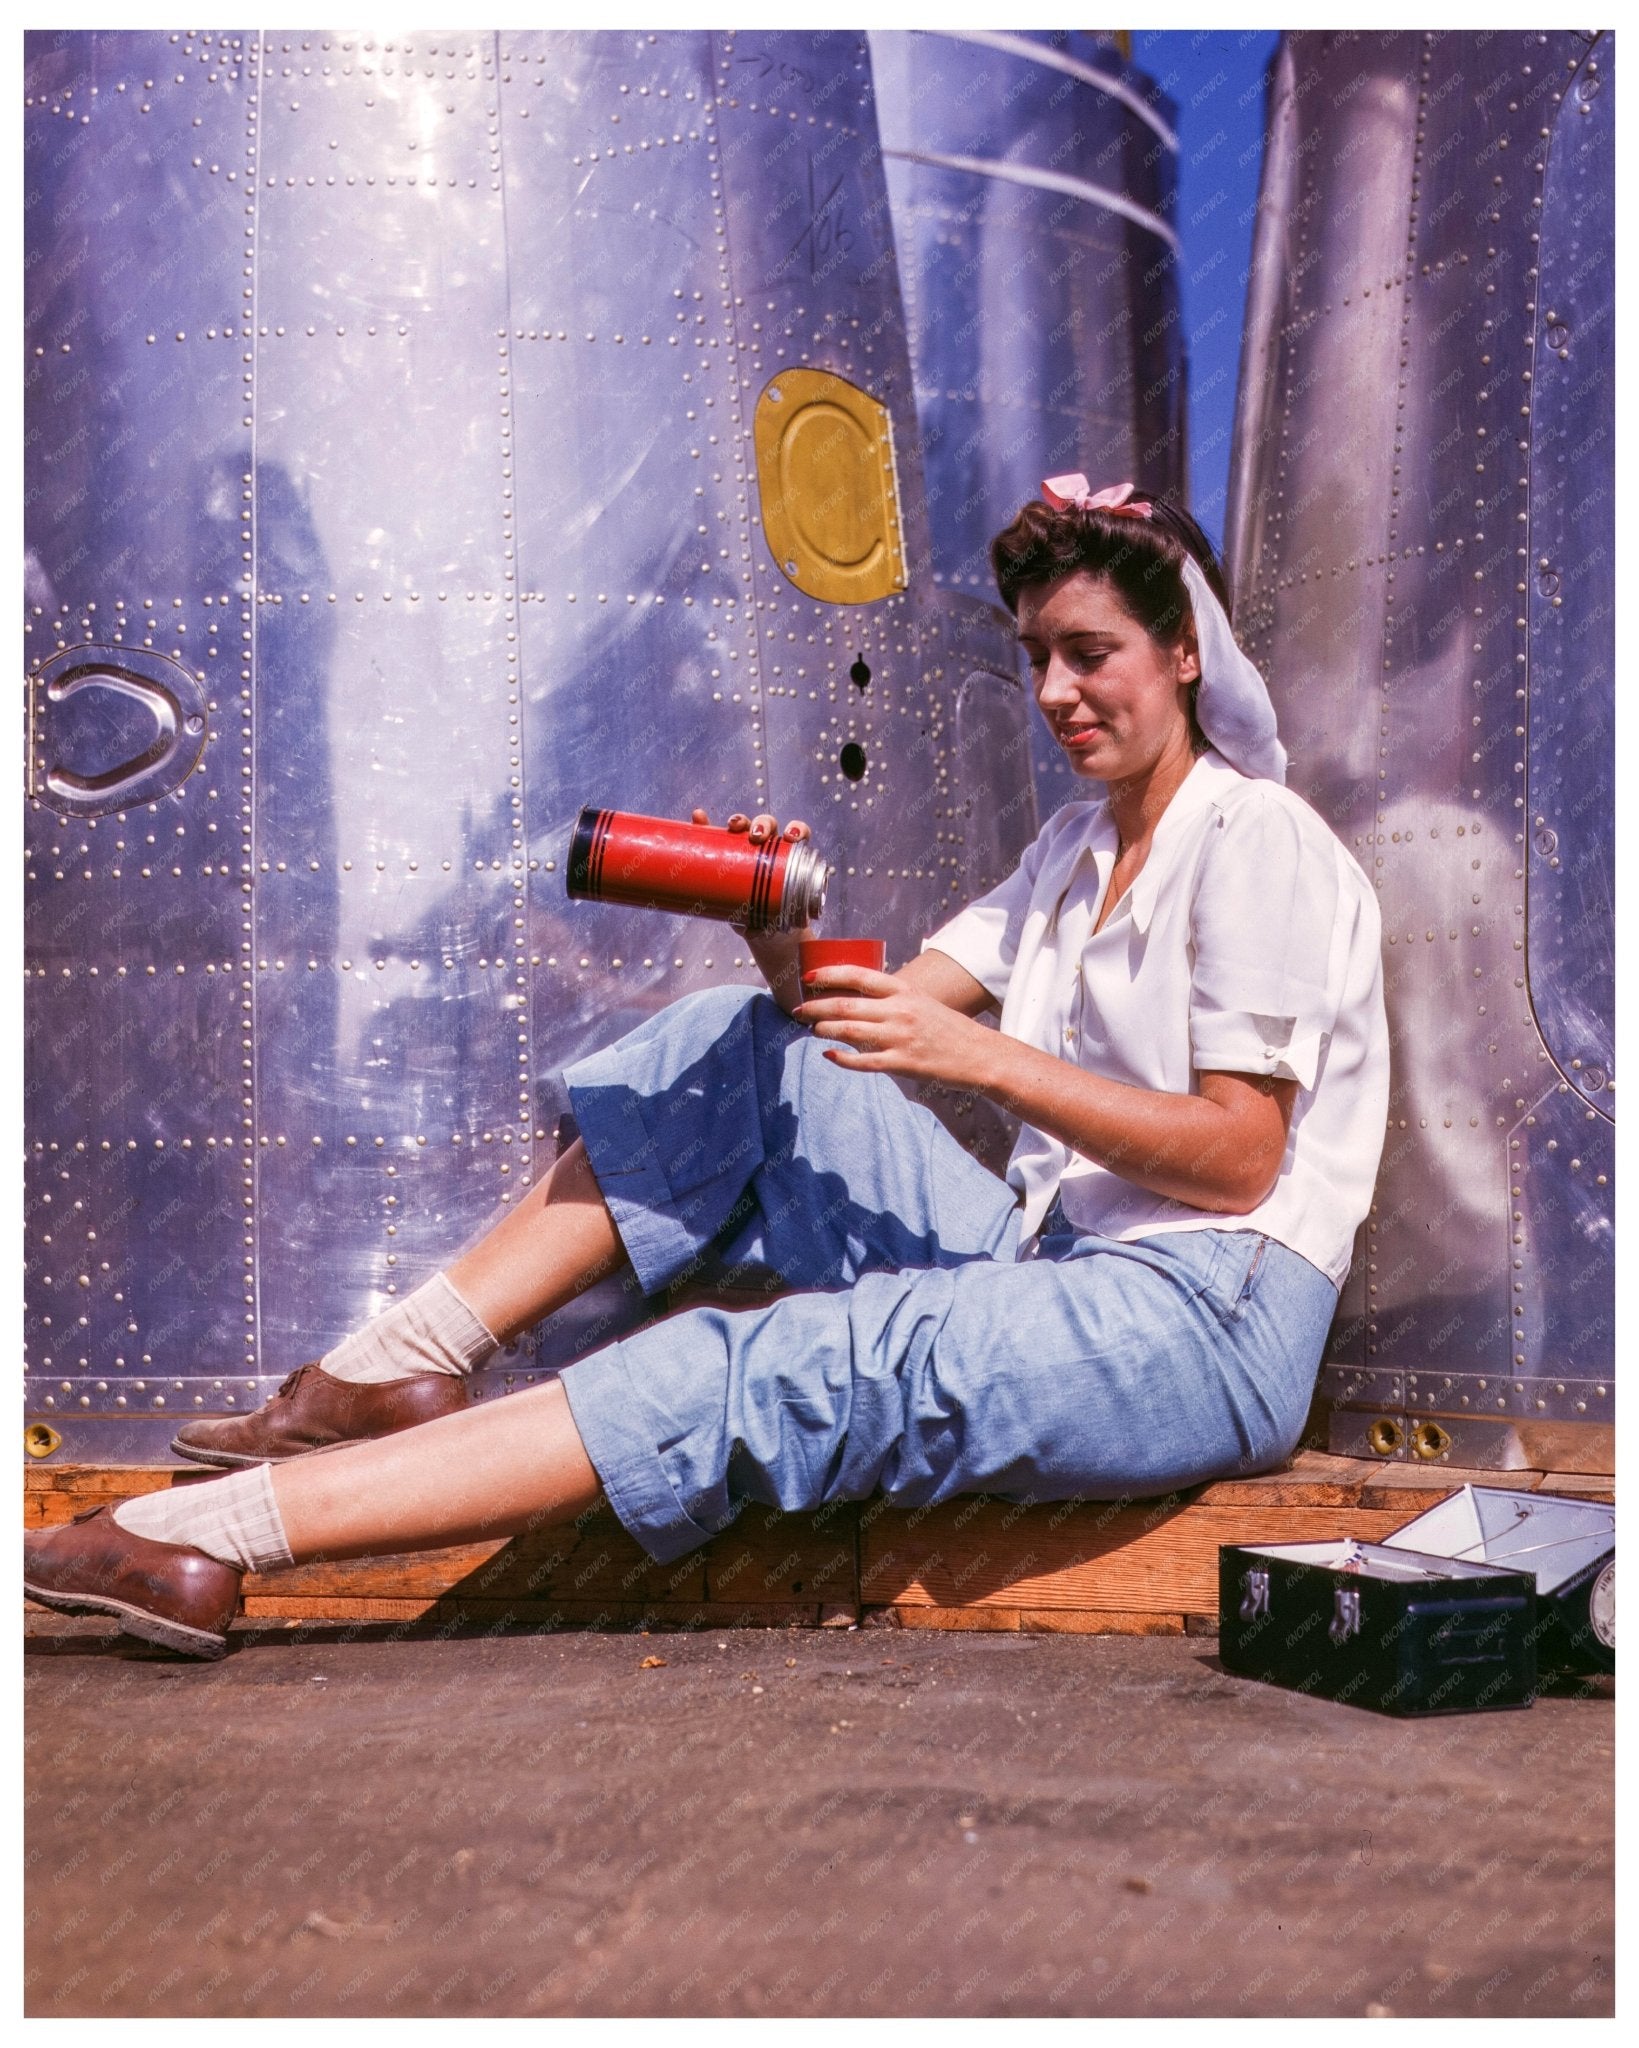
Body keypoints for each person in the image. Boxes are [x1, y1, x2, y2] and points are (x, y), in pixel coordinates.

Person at [24, 477, 1389, 1660]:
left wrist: (983, 1061)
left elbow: (1238, 1156)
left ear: (1186, 653)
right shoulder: (1070, 854)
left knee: (783, 1367)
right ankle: (398, 1363)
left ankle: (189, 1535)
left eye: (1091, 654)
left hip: (1209, 1315)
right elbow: (851, 1028)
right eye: (1036, 656)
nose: (1053, 693)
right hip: (1055, 1262)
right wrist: (773, 933)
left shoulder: (1254, 839)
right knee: (746, 1049)